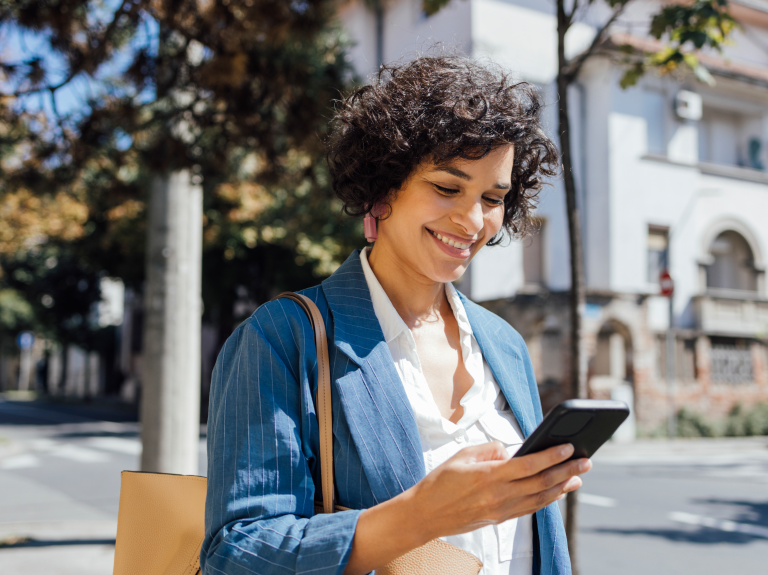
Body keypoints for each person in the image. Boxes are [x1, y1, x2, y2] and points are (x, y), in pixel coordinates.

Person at [201, 56, 591, 575]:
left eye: (493, 198)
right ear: (383, 186)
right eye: (448, 188)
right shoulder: (280, 339)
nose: (473, 221)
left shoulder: (504, 343)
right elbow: (236, 553)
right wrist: (419, 516)